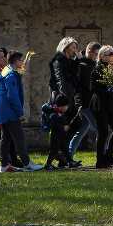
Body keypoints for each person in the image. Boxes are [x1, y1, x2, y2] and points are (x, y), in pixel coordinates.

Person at [0, 51, 41, 172]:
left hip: (4, 111)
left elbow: (20, 72)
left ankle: (4, 165)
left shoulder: (7, 71)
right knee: (19, 138)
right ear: (16, 61)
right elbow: (12, 96)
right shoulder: (11, 75)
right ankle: (27, 163)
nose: (22, 62)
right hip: (10, 111)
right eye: (21, 60)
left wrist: (26, 62)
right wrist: (19, 112)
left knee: (5, 138)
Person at [49, 37, 81, 167]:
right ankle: (63, 157)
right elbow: (60, 80)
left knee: (73, 125)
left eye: (75, 47)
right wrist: (64, 100)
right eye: (73, 47)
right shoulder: (58, 61)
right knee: (62, 128)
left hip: (70, 97)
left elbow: (75, 75)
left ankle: (63, 157)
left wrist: (78, 60)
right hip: (62, 99)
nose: (75, 50)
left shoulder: (70, 61)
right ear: (66, 47)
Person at [92, 45, 113, 168]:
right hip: (100, 104)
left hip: (111, 104)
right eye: (110, 54)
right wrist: (109, 90)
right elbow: (94, 87)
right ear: (102, 56)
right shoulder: (97, 69)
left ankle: (109, 155)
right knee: (103, 132)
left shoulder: (111, 68)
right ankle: (100, 160)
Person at [69, 41, 101, 163]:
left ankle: (67, 157)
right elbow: (83, 86)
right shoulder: (81, 65)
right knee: (101, 130)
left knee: (81, 131)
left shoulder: (93, 64)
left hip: (89, 103)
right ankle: (102, 157)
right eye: (96, 54)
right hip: (84, 103)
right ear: (89, 51)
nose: (97, 57)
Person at [43, 95, 73, 170]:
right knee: (53, 151)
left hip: (61, 136)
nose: (67, 107)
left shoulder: (60, 113)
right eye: (66, 106)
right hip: (55, 137)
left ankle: (70, 162)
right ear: (61, 106)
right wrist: (63, 127)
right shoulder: (54, 114)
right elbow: (54, 125)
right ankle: (48, 164)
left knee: (65, 149)